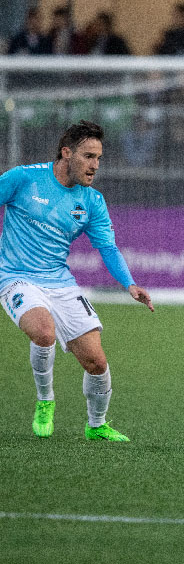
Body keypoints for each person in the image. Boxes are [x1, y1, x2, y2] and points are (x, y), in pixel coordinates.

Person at [0, 120, 154, 442]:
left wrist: (129, 283)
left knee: (96, 361)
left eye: (98, 158)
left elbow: (107, 248)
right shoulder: (24, 178)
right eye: (88, 156)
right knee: (44, 332)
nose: (95, 165)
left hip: (60, 282)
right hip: (16, 277)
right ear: (66, 153)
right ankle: (46, 402)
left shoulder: (92, 202)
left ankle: (96, 425)